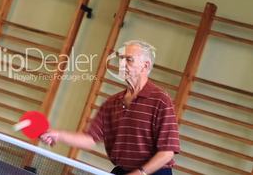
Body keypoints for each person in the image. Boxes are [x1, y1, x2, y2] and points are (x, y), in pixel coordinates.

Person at [40, 40, 180, 175]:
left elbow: (167, 152)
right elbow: (90, 139)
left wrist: (140, 173)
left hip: (154, 172)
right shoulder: (112, 103)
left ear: (145, 65)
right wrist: (58, 135)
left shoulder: (161, 100)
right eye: (121, 59)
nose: (122, 64)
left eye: (129, 60)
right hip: (124, 170)